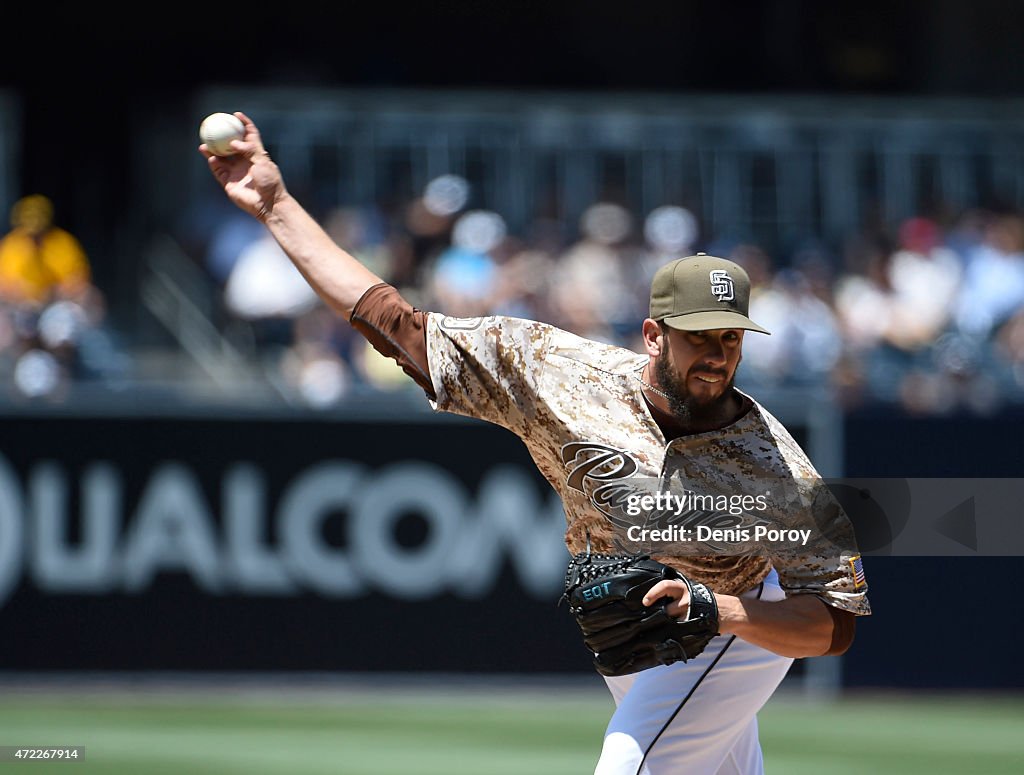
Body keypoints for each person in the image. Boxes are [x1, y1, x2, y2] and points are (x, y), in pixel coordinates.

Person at [200, 113, 871, 775]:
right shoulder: (558, 372)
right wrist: (277, 205)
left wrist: (719, 611)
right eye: (700, 335)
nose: (717, 355)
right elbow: (395, 325)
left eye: (730, 338)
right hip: (640, 639)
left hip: (742, 624)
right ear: (653, 334)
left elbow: (834, 624)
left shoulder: (772, 460)